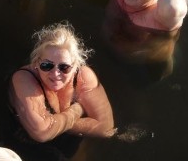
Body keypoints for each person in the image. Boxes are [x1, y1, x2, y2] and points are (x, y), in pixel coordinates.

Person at [9, 22, 114, 152]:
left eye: (64, 67)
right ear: (36, 62)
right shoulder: (24, 78)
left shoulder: (83, 77)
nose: (55, 74)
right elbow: (41, 133)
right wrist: (77, 110)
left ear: (75, 65)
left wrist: (55, 121)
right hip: (25, 142)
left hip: (69, 142)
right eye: (47, 65)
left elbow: (106, 129)